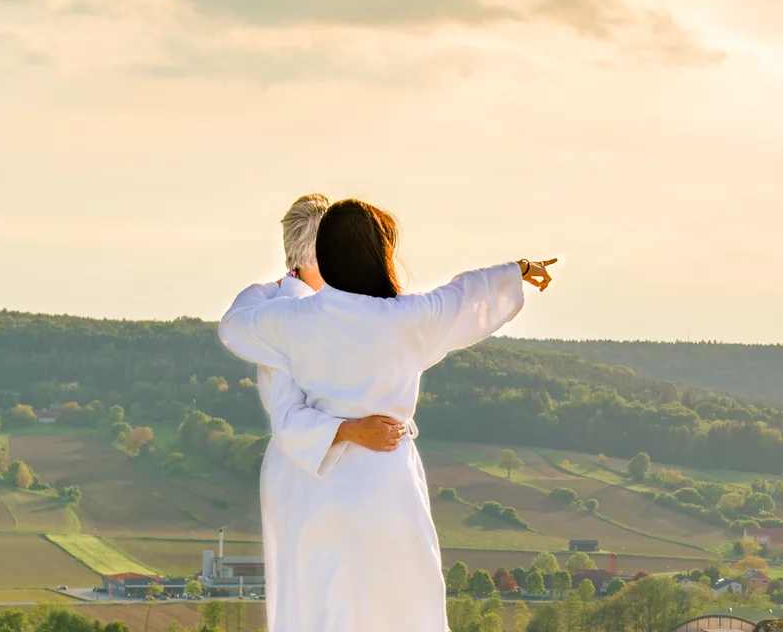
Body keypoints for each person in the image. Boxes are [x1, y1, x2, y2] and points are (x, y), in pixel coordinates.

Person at [220, 198, 554, 631]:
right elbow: (464, 296)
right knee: (402, 602)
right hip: (385, 480)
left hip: (320, 487)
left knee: (325, 606)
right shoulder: (406, 317)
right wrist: (519, 271)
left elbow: (236, 323)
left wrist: (279, 286)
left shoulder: (293, 318)